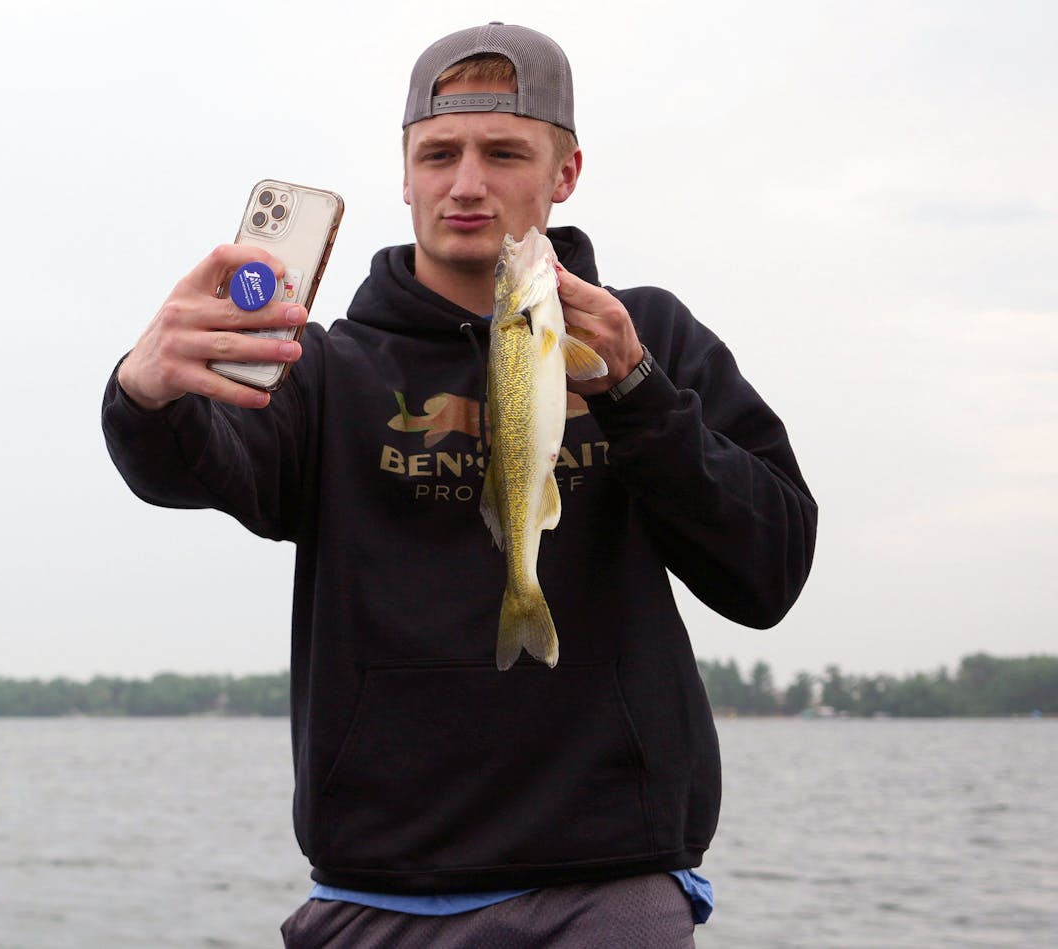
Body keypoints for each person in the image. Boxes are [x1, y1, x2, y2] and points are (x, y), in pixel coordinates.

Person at [103, 21, 817, 948]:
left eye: (504, 151)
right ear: (404, 176)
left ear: (565, 173)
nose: (467, 183)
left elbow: (772, 569)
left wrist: (637, 394)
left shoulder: (654, 342)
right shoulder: (321, 368)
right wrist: (145, 392)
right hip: (379, 886)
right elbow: (195, 468)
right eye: (438, 153)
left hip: (612, 878)